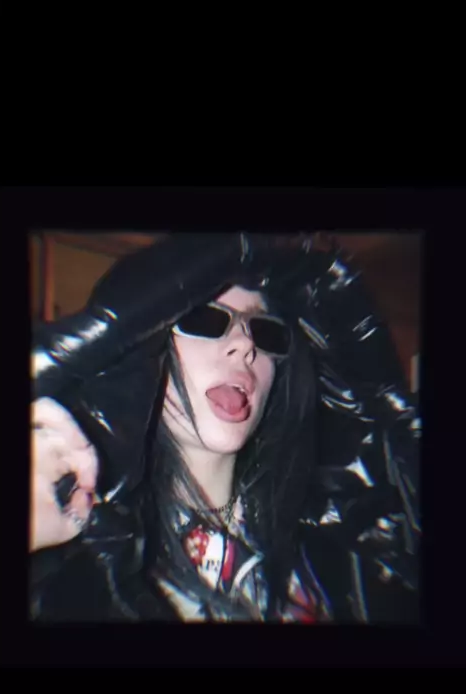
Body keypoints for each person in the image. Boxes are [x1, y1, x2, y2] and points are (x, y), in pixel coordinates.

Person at [30, 233, 420, 622]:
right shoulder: (77, 558)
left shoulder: (333, 543)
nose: (245, 345)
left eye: (265, 330)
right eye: (205, 319)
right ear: (141, 352)